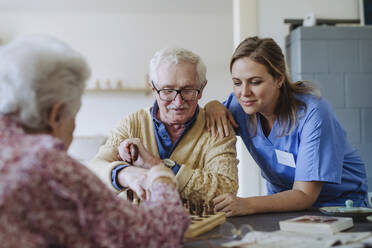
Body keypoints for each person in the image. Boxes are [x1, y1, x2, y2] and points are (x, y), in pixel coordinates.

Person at [0, 35, 189, 247]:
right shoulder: (51, 167)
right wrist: (160, 175)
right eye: (74, 115)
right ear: (56, 115)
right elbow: (159, 234)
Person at [205, 36, 368, 217]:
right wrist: (213, 105)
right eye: (237, 82)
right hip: (282, 205)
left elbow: (305, 194)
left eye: (255, 82)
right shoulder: (241, 105)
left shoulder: (313, 112)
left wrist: (246, 204)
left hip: (338, 206)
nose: (244, 92)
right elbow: (207, 122)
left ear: (279, 79)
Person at [88, 48, 238, 203]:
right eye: (167, 90)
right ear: (153, 89)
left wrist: (155, 165)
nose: (178, 102)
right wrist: (125, 174)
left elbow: (226, 189)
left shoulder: (217, 126)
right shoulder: (131, 124)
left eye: (188, 90)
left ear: (201, 89)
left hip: (199, 226)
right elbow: (94, 171)